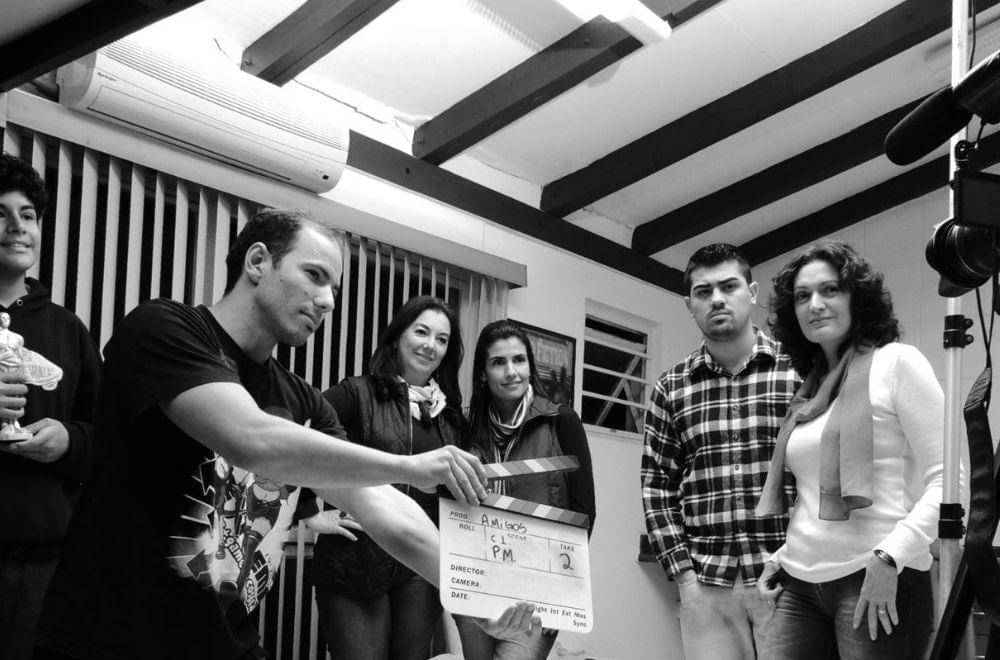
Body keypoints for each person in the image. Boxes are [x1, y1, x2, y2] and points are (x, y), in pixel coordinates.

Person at [33, 209, 536, 659]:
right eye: (315, 275)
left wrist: (474, 593)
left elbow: (384, 505)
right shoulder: (164, 328)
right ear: (258, 262)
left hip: (227, 643)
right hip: (108, 640)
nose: (328, 300)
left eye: (334, 288)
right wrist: (409, 465)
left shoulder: (304, 402)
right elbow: (249, 438)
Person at [756, 242, 942, 659]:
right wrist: (782, 557)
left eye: (830, 290)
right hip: (800, 582)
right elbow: (810, 495)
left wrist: (890, 557)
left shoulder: (898, 363)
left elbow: (949, 483)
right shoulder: (811, 390)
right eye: (802, 296)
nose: (815, 304)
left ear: (857, 297)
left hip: (878, 575)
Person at [641, 243, 800, 660]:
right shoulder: (671, 388)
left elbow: (817, 476)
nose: (716, 299)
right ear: (689, 305)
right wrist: (684, 579)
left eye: (729, 286)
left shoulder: (798, 372)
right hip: (707, 585)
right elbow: (657, 487)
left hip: (788, 580)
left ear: (752, 292)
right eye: (703, 291)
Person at [308, 295, 467, 659]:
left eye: (442, 339)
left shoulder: (450, 417)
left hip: (418, 571)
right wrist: (309, 514)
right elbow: (297, 438)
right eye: (422, 332)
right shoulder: (357, 393)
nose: (431, 345)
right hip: (355, 562)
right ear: (397, 337)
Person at [0, 154, 101, 660]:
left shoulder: (68, 330)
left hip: (41, 561)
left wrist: (70, 441)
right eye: (0, 213)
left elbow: (109, 435)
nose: (17, 226)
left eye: (28, 215)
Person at [453, 319, 596, 659]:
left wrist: (551, 583)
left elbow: (585, 510)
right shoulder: (466, 428)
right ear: (483, 374)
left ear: (530, 366)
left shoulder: (561, 420)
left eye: (519, 360)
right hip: (479, 584)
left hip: (536, 591)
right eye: (498, 362)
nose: (511, 371)